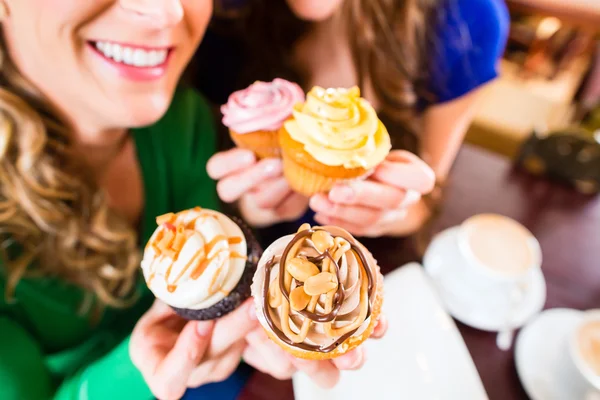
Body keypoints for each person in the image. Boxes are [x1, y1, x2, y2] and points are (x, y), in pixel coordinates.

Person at [0, 1, 386, 399]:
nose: (166, 11)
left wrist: (266, 300)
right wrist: (137, 373)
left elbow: (222, 272)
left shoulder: (184, 120)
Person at [196, 0, 509, 237]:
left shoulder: (466, 20)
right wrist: (245, 207)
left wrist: (391, 208)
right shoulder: (206, 10)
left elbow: (425, 198)